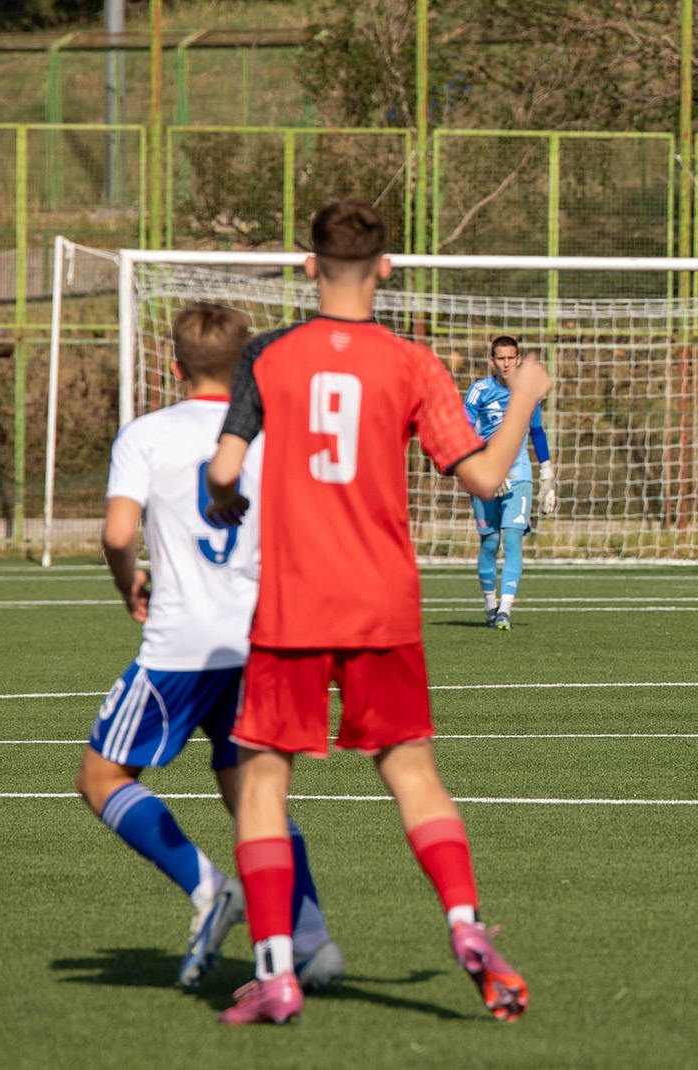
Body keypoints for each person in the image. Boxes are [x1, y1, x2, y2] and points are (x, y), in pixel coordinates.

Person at [203, 199, 551, 1025]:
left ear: (307, 266)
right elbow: (486, 480)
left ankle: (276, 971)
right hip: (381, 605)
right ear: (386, 269)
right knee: (412, 773)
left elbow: (223, 470)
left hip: (290, 604)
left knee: (260, 783)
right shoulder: (412, 363)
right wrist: (527, 395)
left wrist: (224, 504)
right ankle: (466, 926)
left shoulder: (267, 355)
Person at [77, 302, 341, 991]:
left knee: (101, 777)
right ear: (248, 367)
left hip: (181, 646)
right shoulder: (272, 435)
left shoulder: (147, 434)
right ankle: (312, 939)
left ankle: (206, 888)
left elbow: (115, 533)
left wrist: (127, 582)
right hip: (260, 640)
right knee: (254, 800)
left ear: (172, 367)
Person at [464, 336, 555, 629]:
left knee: (513, 540)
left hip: (519, 477)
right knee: (490, 541)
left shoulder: (526, 393)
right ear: (492, 361)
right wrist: (488, 468)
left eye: (511, 358)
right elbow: (464, 432)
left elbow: (537, 432)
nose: (506, 363)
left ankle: (505, 609)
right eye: (500, 358)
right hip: (485, 477)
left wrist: (547, 474)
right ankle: (490, 605)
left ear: (518, 359)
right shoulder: (479, 392)